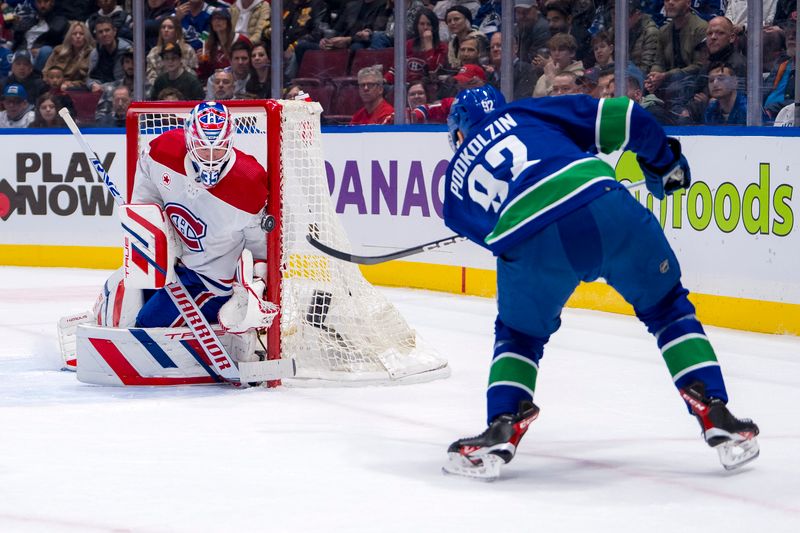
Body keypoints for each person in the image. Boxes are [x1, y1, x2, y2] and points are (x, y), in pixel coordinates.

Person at [440, 86, 760, 479]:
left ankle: (503, 423)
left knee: (518, 336)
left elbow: (495, 237)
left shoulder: (452, 190)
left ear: (459, 133)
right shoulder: (527, 113)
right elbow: (625, 116)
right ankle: (714, 410)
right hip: (604, 205)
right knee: (669, 310)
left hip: (536, 246)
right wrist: (663, 162)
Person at [99, 101, 269, 329]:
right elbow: (147, 204)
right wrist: (154, 235)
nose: (210, 157)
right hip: (175, 267)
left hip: (213, 283)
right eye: (202, 147)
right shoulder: (163, 152)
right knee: (118, 309)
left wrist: (256, 286)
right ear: (189, 141)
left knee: (146, 325)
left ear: (230, 143)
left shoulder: (248, 183)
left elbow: (262, 249)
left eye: (218, 148)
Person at [145, 16, 199, 89]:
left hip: (185, 89)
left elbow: (194, 73)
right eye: (163, 27)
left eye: (170, 27)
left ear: (177, 31)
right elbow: (151, 77)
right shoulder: (154, 52)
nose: (166, 30)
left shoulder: (187, 50)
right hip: (161, 90)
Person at [42, 21, 95, 91]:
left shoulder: (92, 54)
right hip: (54, 83)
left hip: (76, 88)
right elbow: (46, 70)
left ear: (86, 37)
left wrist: (71, 84)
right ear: (70, 36)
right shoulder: (58, 50)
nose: (78, 36)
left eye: (81, 34)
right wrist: (50, 80)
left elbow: (89, 79)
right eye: (74, 34)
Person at [485, 31, 537, 101]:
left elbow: (521, 100)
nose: (495, 49)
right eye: (492, 47)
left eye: (499, 45)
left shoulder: (525, 70)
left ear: (515, 48)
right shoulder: (489, 76)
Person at [87, 16, 133, 93]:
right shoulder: (95, 53)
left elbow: (130, 79)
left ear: (114, 31)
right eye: (100, 32)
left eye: (107, 30)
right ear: (96, 36)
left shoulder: (128, 51)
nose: (104, 34)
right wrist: (92, 85)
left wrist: (104, 87)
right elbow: (90, 77)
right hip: (101, 90)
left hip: (124, 91)